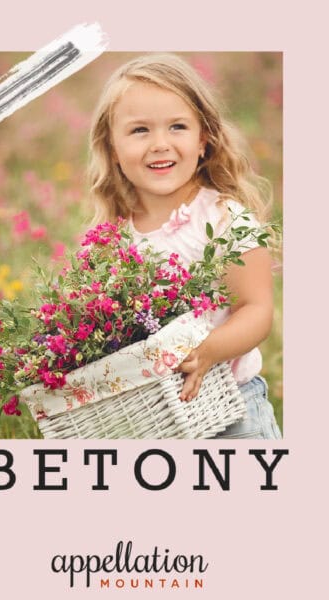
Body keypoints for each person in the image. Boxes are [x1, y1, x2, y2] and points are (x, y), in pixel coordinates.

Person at [87, 54, 281, 439]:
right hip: (157, 422)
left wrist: (209, 350)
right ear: (112, 148)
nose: (160, 144)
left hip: (235, 414)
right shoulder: (114, 237)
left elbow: (257, 309)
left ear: (203, 140)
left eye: (177, 126)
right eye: (140, 130)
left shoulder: (224, 218)